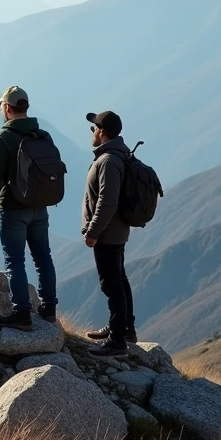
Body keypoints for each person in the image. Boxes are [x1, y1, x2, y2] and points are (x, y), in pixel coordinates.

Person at [0, 85, 58, 330]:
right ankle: (48, 308)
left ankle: (22, 313)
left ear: (6, 108)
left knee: (15, 262)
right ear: (25, 107)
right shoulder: (42, 135)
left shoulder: (3, 138)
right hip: (40, 207)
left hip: (13, 209)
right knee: (43, 257)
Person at [82, 110, 137, 358]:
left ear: (102, 132)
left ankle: (117, 342)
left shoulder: (108, 161)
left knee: (111, 285)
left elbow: (107, 202)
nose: (92, 132)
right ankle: (124, 329)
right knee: (119, 279)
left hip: (107, 233)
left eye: (94, 128)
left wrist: (93, 231)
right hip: (115, 231)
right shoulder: (115, 156)